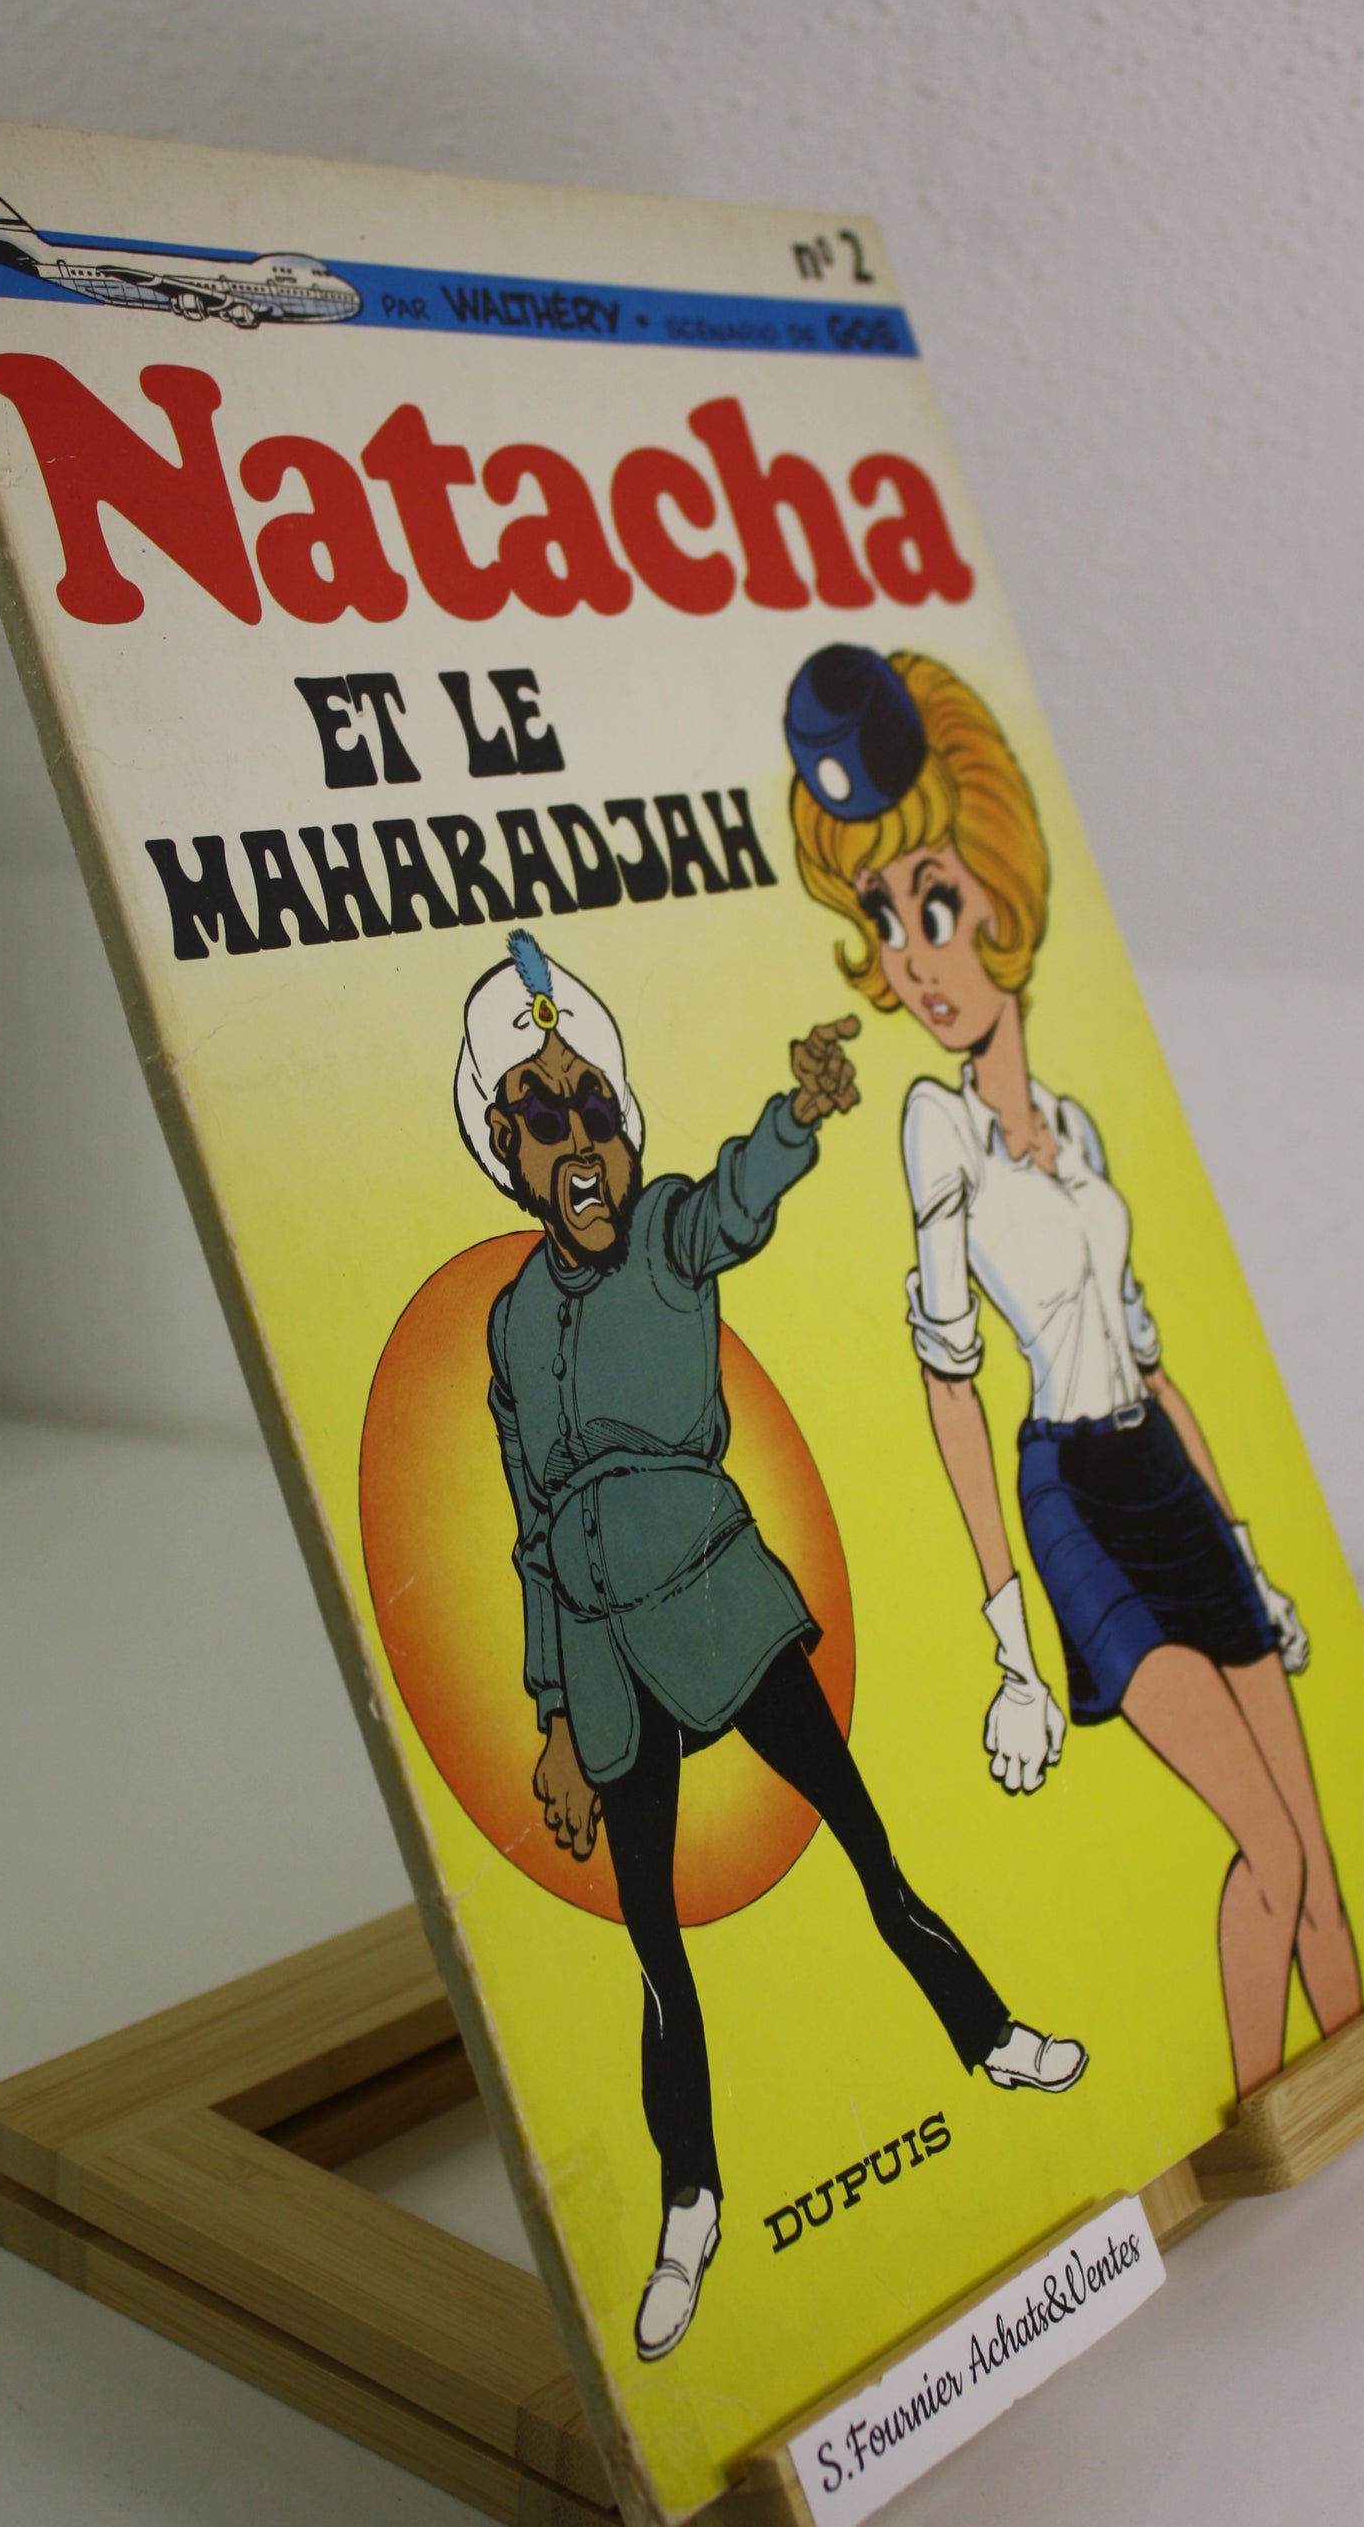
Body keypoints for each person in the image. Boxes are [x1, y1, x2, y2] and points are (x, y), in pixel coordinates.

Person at [456, 927, 1087, 2365]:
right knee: (655, 1949)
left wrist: (795, 1114)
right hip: (607, 1669)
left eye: (596, 1110)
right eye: (543, 1118)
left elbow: (733, 1204)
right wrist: (553, 1715)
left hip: (720, 1604)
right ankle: (689, 2204)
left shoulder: (668, 1236)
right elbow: (528, 1528)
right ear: (508, 1151)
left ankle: (988, 2034)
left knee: (866, 1843)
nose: (579, 1142)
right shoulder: (511, 1325)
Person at [785, 644, 1362, 2099]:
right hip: (1074, 1501)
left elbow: (1153, 1366)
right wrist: (1011, 1654)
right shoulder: (938, 1134)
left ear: (1001, 894)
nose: (912, 959)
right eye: (883, 918)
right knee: (1267, 1848)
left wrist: (1247, 1553)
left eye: (933, 906)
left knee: (1323, 1857)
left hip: (1162, 1478)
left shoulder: (1082, 1133)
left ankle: (1360, 2104)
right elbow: (952, 1385)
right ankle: (1259, 2132)